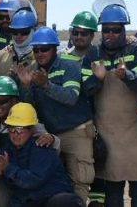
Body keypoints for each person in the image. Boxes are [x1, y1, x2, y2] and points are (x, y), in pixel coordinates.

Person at [81, 4, 137, 207]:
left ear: (124, 30)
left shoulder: (135, 49)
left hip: (136, 133)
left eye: (115, 30)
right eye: (106, 29)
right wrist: (98, 79)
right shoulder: (93, 53)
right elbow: (86, 89)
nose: (110, 34)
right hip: (108, 134)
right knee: (113, 195)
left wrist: (127, 75)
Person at [24, 26, 94, 203]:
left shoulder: (69, 66)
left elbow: (71, 97)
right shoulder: (33, 71)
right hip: (50, 134)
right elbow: (30, 107)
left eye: (44, 49)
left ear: (55, 48)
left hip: (76, 132)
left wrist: (46, 85)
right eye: (36, 49)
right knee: (53, 182)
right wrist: (25, 86)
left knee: (80, 181)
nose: (39, 53)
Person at [0, 103, 83, 207]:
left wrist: (7, 168)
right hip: (26, 200)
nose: (15, 134)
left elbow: (32, 180)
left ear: (31, 129)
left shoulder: (41, 148)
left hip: (51, 197)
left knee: (64, 202)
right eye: (11, 129)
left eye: (19, 130)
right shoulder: (7, 150)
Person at [0, 9, 38, 101]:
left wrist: (26, 84)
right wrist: (6, 81)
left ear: (33, 31)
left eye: (24, 32)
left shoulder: (39, 58)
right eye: (15, 32)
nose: (18, 36)